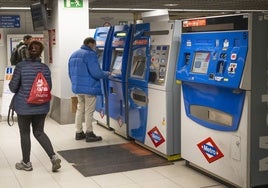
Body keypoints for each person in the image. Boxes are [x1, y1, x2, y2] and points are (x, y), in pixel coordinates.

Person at [9, 40, 61, 172]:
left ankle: (26, 163)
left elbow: (13, 88)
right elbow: (48, 87)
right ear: (41, 53)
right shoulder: (45, 68)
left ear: (28, 51)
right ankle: (53, 157)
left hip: (24, 106)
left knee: (25, 133)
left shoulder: (21, 66)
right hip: (41, 105)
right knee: (39, 132)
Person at [68, 37, 110, 142]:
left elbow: (70, 73)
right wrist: (106, 74)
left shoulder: (74, 54)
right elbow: (96, 73)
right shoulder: (90, 54)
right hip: (89, 88)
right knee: (89, 111)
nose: (95, 48)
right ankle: (89, 133)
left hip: (78, 88)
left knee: (80, 109)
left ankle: (78, 132)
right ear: (91, 44)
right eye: (94, 45)